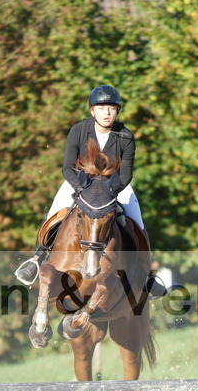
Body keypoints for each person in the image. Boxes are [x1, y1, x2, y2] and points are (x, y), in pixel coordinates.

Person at [15, 85, 148, 286]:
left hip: (114, 186)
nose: (107, 112)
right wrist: (81, 187)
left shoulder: (125, 136)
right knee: (55, 213)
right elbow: (67, 168)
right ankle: (36, 259)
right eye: (102, 108)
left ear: (118, 111)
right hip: (80, 182)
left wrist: (110, 191)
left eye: (112, 108)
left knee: (136, 221)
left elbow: (126, 174)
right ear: (92, 110)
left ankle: (146, 274)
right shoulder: (79, 130)